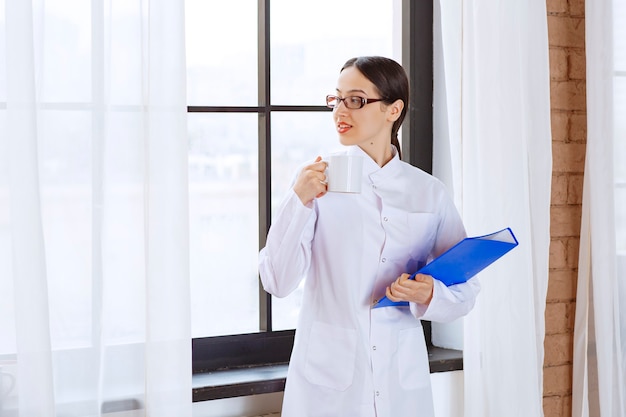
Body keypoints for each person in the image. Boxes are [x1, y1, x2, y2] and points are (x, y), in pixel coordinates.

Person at [258, 56, 480, 417]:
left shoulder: (428, 192)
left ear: (394, 110)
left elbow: (466, 290)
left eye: (356, 100)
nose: (340, 111)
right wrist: (297, 200)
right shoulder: (316, 183)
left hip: (400, 377)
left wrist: (430, 293)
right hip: (328, 384)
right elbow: (277, 281)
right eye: (337, 99)